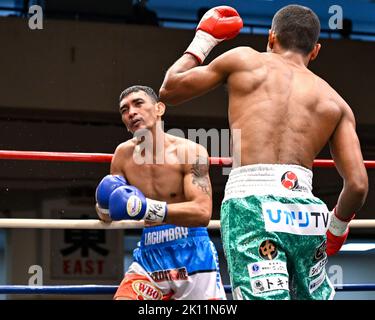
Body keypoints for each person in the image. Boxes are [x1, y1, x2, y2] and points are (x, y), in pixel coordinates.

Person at [159, 5, 368, 300]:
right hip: (308, 216)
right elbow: (358, 185)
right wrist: (335, 230)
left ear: (271, 38)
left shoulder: (244, 59)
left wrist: (204, 39)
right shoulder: (336, 102)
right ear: (316, 50)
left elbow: (169, 89)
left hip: (251, 205)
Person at [95, 85, 226, 300]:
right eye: (124, 110)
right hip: (150, 252)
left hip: (192, 250)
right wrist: (103, 205)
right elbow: (109, 214)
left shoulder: (190, 151)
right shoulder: (122, 155)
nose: (131, 113)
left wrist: (146, 208)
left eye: (138, 104)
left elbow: (202, 212)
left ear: (159, 109)